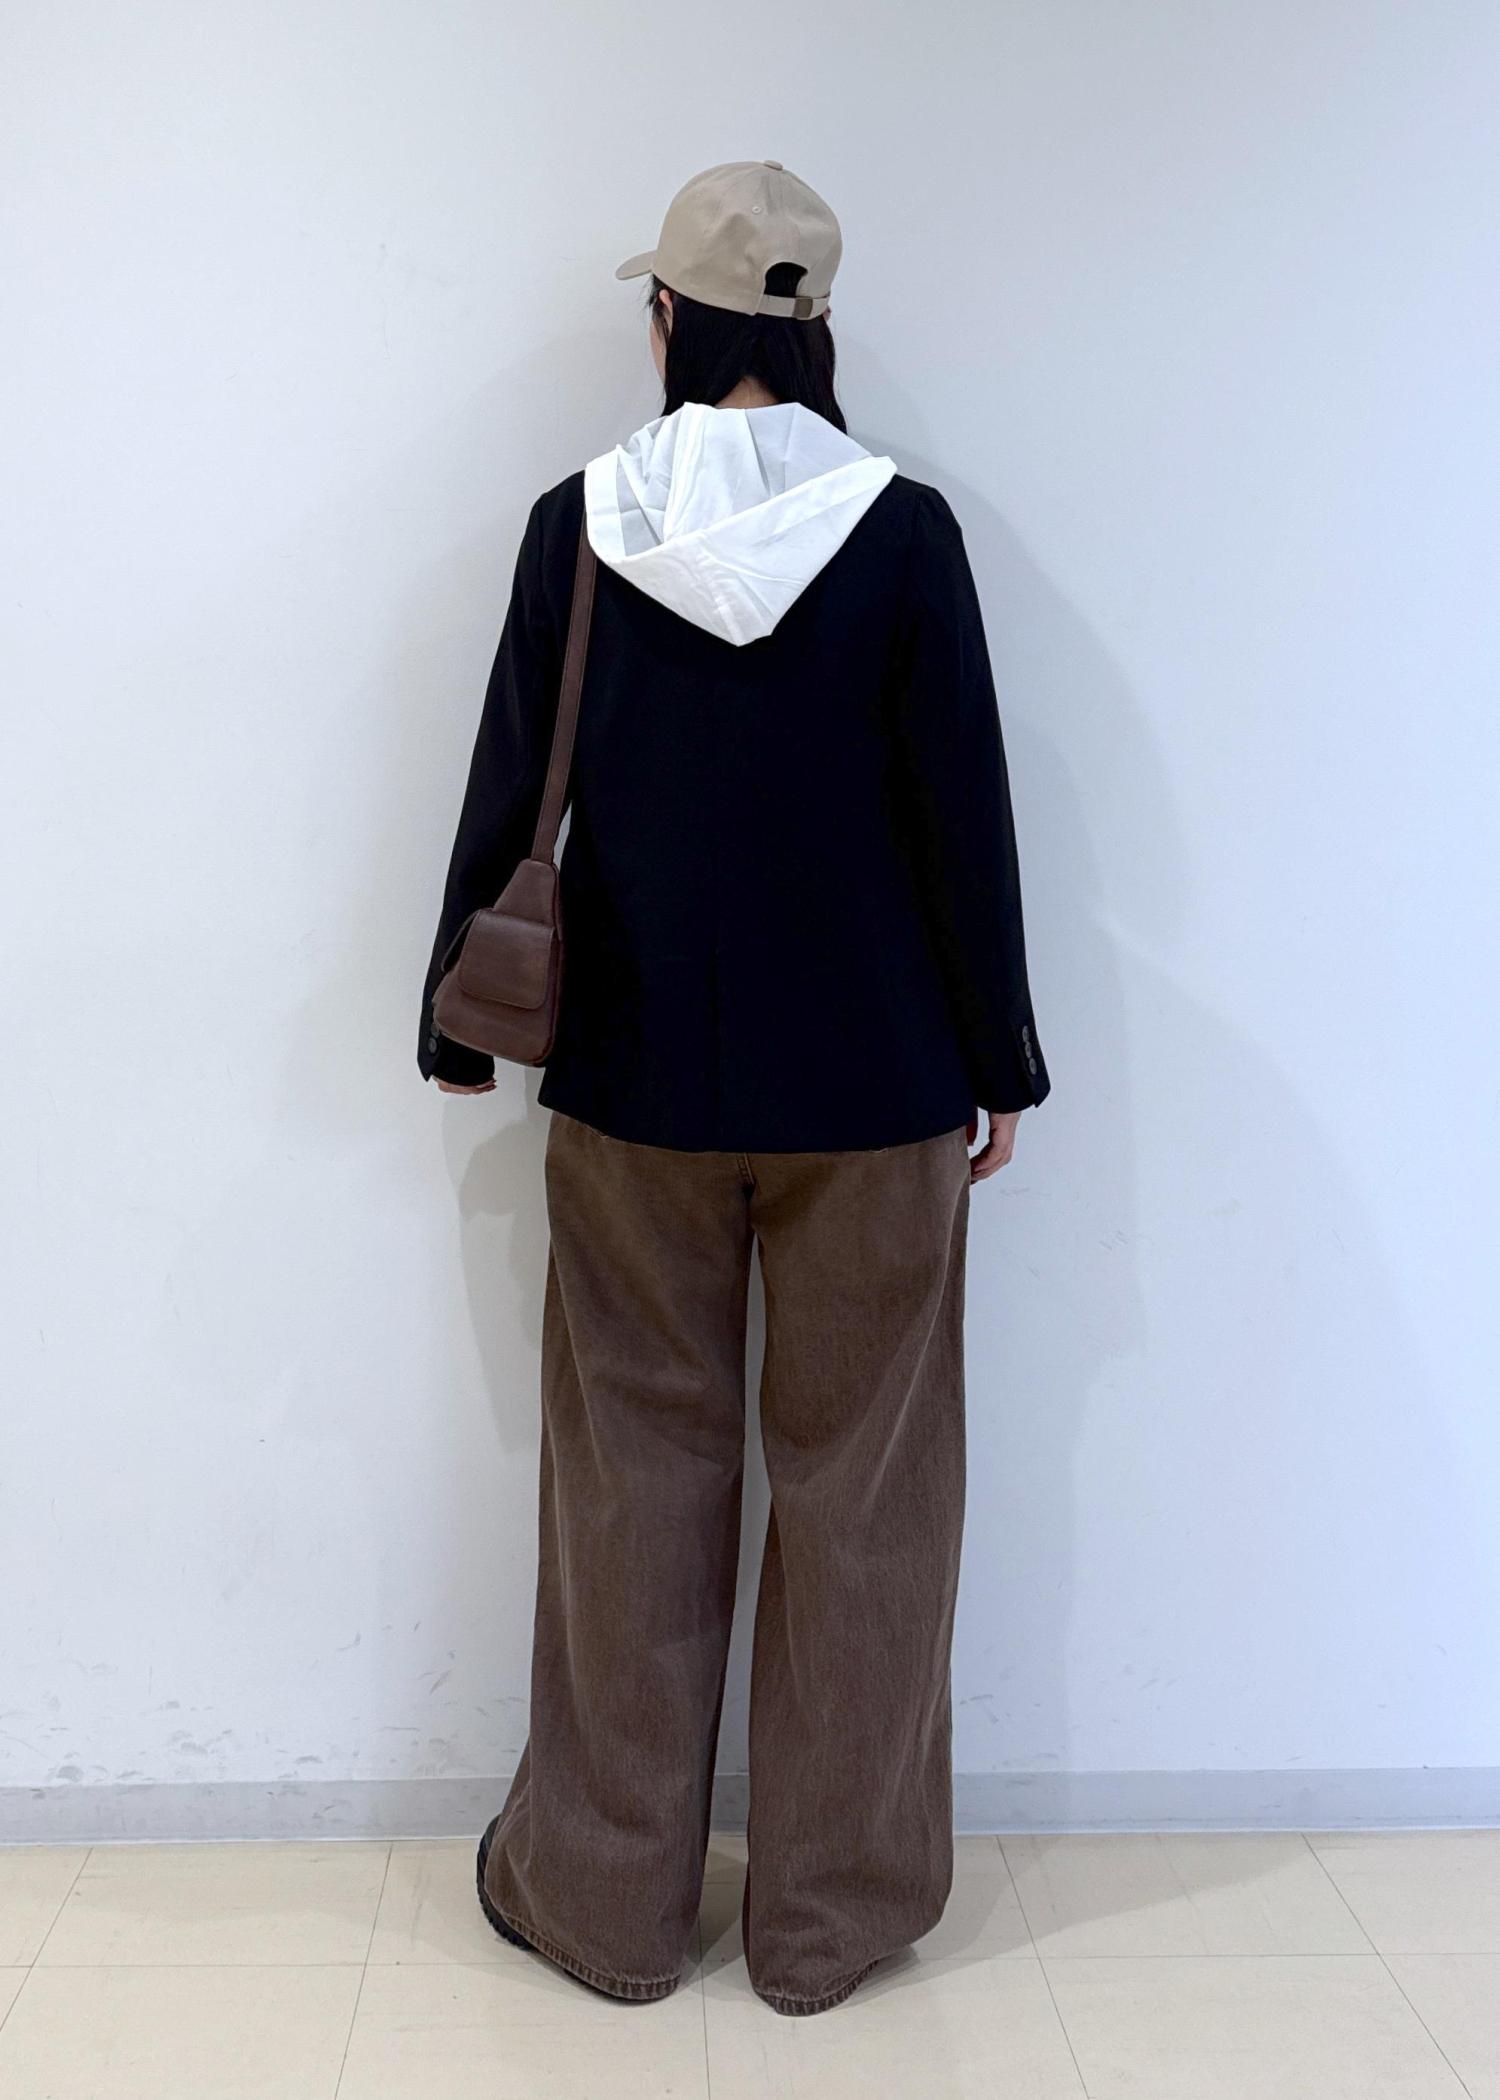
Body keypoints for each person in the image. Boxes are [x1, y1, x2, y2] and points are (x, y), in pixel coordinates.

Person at [418, 160, 1051, 2017]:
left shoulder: (581, 523)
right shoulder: (904, 532)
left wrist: (459, 1018)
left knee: (632, 1480)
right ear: (818, 329)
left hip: (635, 1084)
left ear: (667, 323)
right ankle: (829, 1925)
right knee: (870, 1499)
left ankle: (606, 1908)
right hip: (878, 1088)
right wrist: (1000, 1056)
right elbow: (963, 812)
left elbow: (513, 774)